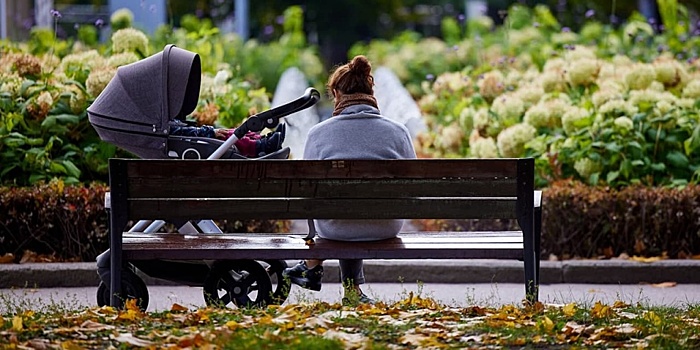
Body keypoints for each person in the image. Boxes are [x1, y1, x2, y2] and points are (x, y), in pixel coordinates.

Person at [282, 55, 416, 305]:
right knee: (358, 206)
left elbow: (308, 191)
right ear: (371, 89)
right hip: (385, 225)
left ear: (336, 93)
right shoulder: (399, 132)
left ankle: (310, 266)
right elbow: (416, 186)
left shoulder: (318, 134)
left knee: (342, 209)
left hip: (335, 227)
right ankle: (346, 289)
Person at [169, 120, 285, 157]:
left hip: (194, 135)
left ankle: (259, 139)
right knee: (230, 137)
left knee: (233, 132)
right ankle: (259, 147)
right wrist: (209, 131)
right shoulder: (163, 128)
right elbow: (183, 132)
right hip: (191, 140)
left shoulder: (164, 123)